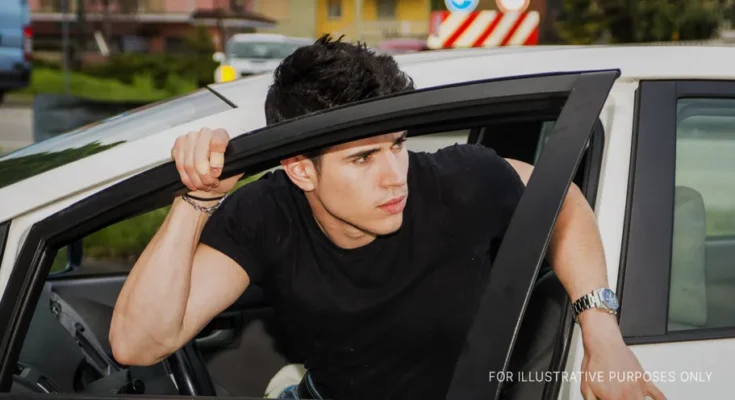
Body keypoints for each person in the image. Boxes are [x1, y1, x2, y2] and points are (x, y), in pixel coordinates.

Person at [109, 35, 666, 400]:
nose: (394, 174)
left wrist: (601, 332)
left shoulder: (458, 180)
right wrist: (198, 198)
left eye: (396, 144)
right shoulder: (267, 211)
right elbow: (139, 344)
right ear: (301, 171)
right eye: (362, 158)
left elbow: (561, 198)